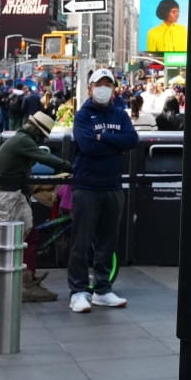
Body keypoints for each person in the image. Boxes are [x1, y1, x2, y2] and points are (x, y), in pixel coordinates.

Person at [68, 67, 138, 313]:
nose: (103, 89)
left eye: (108, 84)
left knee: (107, 242)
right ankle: (77, 291)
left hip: (113, 186)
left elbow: (132, 140)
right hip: (87, 186)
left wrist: (104, 137)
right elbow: (87, 146)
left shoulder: (120, 114)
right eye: (99, 84)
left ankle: (102, 289)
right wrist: (114, 143)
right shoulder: (83, 115)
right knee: (81, 242)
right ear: (90, 88)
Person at [0, 110, 71, 303]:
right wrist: (70, 166)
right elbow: (46, 159)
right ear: (37, 132)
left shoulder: (19, 139)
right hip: (10, 197)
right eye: (42, 136)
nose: (41, 140)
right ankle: (26, 284)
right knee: (30, 236)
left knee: (29, 235)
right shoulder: (24, 142)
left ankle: (28, 277)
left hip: (13, 193)